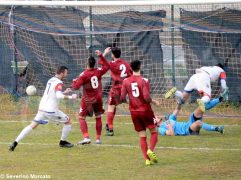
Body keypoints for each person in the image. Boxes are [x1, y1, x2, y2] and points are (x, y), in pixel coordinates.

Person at [9, 66, 77, 151]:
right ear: (62, 73)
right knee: (68, 121)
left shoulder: (51, 80)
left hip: (42, 108)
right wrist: (71, 97)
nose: (67, 75)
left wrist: (64, 92)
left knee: (32, 125)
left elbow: (52, 94)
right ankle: (62, 142)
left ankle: (15, 142)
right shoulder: (59, 82)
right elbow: (58, 96)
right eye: (66, 73)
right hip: (50, 110)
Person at [120, 60, 159, 166]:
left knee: (142, 135)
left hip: (134, 112)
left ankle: (147, 160)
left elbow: (122, 97)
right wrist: (154, 101)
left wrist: (130, 101)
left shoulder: (125, 81)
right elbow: (146, 97)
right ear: (140, 67)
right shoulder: (144, 80)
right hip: (145, 111)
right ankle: (150, 150)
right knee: (154, 131)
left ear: (131, 69)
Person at [72, 54, 109, 145]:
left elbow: (76, 87)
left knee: (81, 117)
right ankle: (98, 139)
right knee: (98, 117)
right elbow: (107, 66)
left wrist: (74, 81)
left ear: (87, 63)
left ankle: (86, 138)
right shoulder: (98, 71)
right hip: (98, 98)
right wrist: (102, 56)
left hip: (88, 100)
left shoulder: (84, 74)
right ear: (94, 64)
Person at [98, 47, 132, 136]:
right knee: (114, 106)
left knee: (110, 107)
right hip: (125, 89)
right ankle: (108, 124)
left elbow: (101, 62)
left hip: (116, 89)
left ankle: (110, 129)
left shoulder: (112, 64)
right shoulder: (126, 64)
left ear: (112, 55)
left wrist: (104, 53)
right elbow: (130, 75)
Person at [157, 95, 227, 136]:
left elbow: (177, 109)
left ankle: (220, 98)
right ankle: (217, 129)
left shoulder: (170, 119)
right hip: (188, 130)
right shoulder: (160, 129)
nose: (156, 117)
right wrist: (168, 123)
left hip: (189, 123)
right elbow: (172, 134)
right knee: (198, 123)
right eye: (154, 118)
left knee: (200, 108)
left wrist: (179, 103)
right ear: (155, 123)